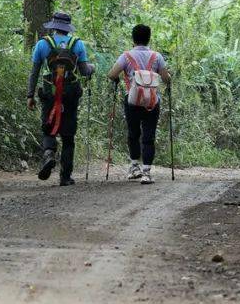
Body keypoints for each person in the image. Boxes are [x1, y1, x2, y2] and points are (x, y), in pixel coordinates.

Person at [27, 11, 94, 186]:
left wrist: (30, 95)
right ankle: (65, 177)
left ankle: (49, 154)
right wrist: (92, 68)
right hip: (71, 94)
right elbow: (85, 72)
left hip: (49, 92)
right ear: (68, 28)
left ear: (54, 26)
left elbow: (34, 73)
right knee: (68, 135)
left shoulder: (42, 44)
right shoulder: (77, 44)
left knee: (49, 129)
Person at [108, 24, 171, 184]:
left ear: (133, 38)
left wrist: (119, 78)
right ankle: (147, 172)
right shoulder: (157, 57)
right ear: (149, 38)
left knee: (133, 133)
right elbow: (165, 78)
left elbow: (112, 74)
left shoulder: (126, 56)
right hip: (152, 102)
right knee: (149, 136)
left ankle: (134, 167)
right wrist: (168, 77)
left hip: (133, 101)